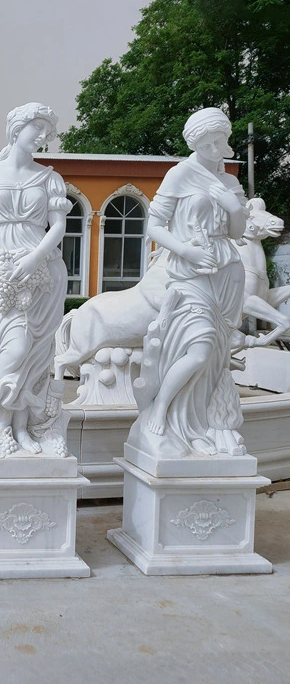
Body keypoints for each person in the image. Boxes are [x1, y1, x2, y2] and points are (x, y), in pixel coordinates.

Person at [131, 107, 248, 458]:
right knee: (197, 351)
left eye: (220, 141)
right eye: (208, 142)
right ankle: (162, 408)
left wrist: (235, 208)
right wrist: (187, 251)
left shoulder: (230, 182)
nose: (216, 148)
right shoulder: (180, 174)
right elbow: (154, 226)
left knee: (215, 358)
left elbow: (237, 232)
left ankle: (197, 429)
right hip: (191, 273)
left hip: (227, 272)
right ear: (194, 142)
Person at [0, 103, 71, 454]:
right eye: (36, 127)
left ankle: (20, 426)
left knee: (36, 354)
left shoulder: (50, 178)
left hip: (43, 272)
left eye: (46, 131)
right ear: (16, 129)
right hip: (5, 273)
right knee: (11, 348)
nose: (41, 136)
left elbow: (59, 226)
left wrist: (35, 257)